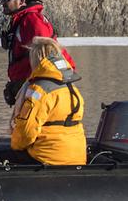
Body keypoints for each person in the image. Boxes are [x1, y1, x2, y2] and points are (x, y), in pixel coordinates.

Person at [0, 0, 73, 106]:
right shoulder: (22, 21)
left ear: (22, 1)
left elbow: (47, 55)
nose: (2, 3)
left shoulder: (32, 21)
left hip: (40, 92)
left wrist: (25, 85)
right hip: (31, 88)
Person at [9, 36, 86, 166]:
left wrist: (14, 145)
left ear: (36, 59)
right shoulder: (72, 88)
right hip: (77, 157)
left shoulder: (39, 91)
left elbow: (26, 132)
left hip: (47, 158)